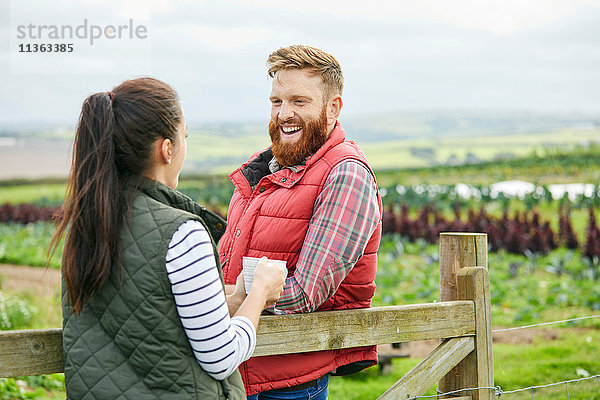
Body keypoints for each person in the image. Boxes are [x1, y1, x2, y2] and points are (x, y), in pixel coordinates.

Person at [50, 77, 286, 399]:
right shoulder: (182, 232)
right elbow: (220, 358)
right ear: (167, 149)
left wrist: (232, 301)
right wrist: (259, 293)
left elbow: (152, 320)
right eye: (184, 137)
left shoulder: (86, 222)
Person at [218, 45, 383, 399]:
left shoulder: (346, 174)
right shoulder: (262, 169)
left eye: (299, 101)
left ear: (333, 107)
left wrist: (215, 306)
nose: (284, 114)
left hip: (288, 381)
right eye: (276, 102)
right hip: (237, 368)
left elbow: (305, 293)